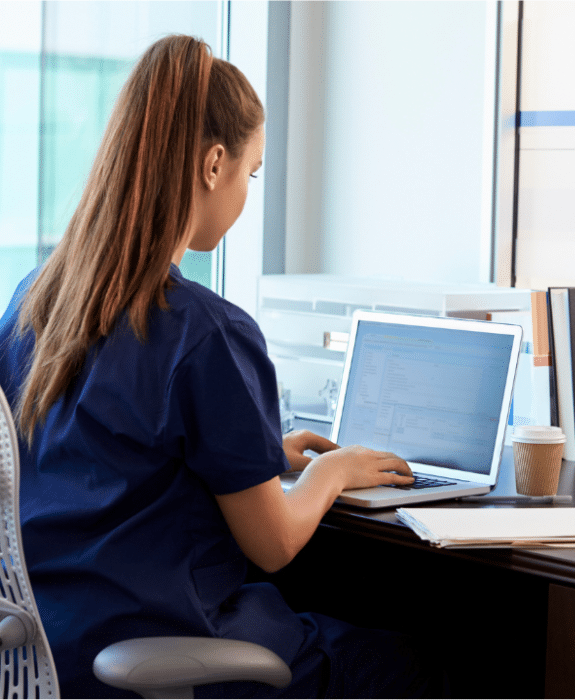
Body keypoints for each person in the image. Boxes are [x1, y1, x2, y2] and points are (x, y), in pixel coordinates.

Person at [0, 35, 448, 698]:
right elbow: (274, 544)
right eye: (252, 171)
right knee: (427, 662)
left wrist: (267, 455)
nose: (246, 192)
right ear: (215, 163)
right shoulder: (205, 332)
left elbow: (106, 461)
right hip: (165, 647)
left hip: (51, 655)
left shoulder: (33, 302)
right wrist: (331, 471)